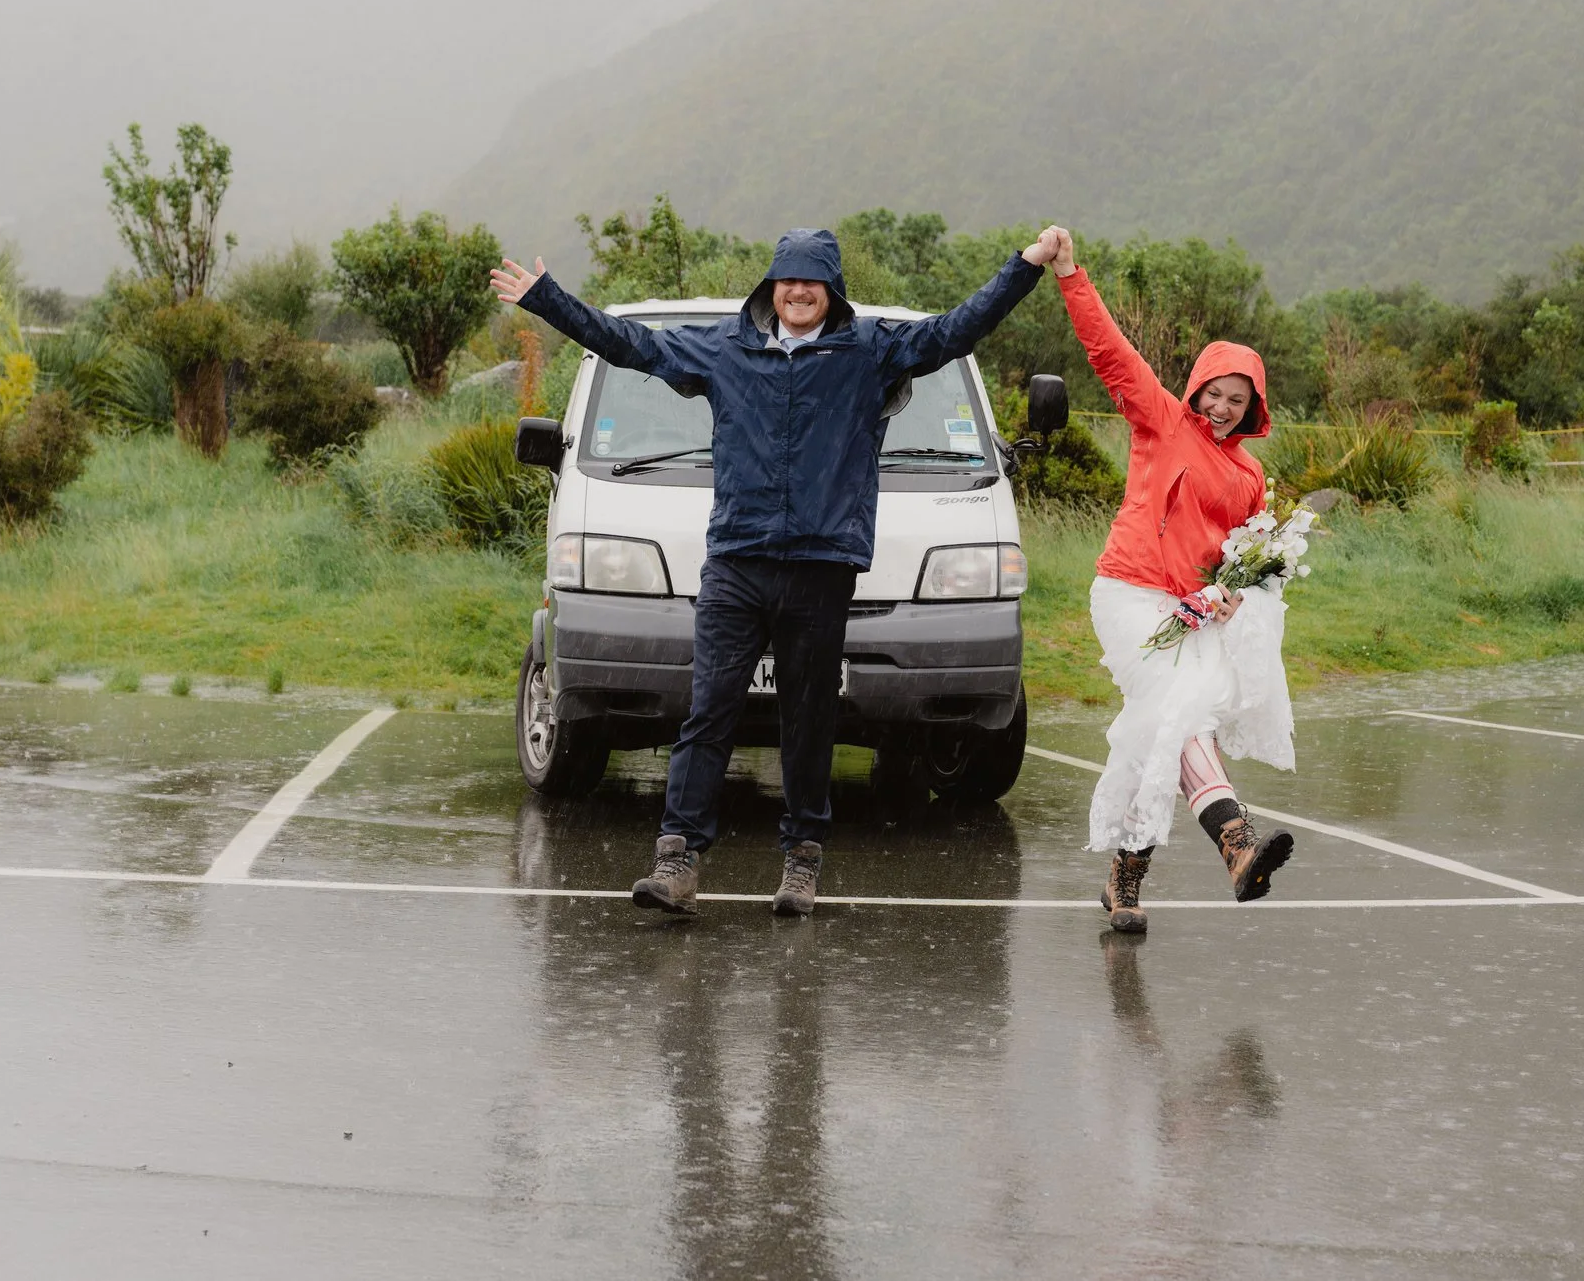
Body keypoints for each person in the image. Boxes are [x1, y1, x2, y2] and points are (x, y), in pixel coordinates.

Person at [489, 226, 1056, 917]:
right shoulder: (727, 348)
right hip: (736, 559)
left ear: (830, 291)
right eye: (787, 280)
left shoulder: (871, 351)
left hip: (821, 568)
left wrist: (1024, 266)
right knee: (709, 708)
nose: (797, 291)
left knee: (810, 719)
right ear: (772, 287)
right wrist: (548, 299)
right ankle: (677, 859)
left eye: (811, 282)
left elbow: (959, 328)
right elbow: (629, 345)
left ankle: (801, 861)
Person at [1037, 225, 1297, 934]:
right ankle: (1236, 840)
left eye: (1237, 400)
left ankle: (1126, 878)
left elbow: (1248, 557)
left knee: (1163, 728)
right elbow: (1109, 350)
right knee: (1176, 709)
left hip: (1194, 612)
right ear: (1198, 388)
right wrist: (1068, 272)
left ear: (1253, 409)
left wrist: (1238, 588)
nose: (1222, 407)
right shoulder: (1159, 420)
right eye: (1215, 393)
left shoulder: (1249, 475)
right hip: (1128, 594)